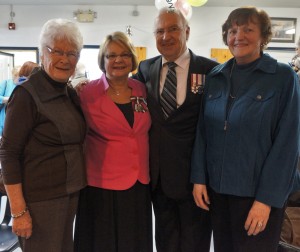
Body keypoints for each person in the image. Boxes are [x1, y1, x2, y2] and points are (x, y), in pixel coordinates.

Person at [191, 6, 300, 252]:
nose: (238, 36)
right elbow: (203, 132)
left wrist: (266, 200)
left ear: (263, 36)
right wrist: (199, 179)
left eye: (248, 29)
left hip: (257, 196)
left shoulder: (283, 77)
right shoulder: (216, 76)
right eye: (232, 30)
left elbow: (287, 145)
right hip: (219, 193)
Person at [133, 7, 218, 252]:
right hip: (159, 179)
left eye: (173, 29)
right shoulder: (145, 68)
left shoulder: (210, 70)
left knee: (196, 242)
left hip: (197, 179)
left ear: (187, 32)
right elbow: (123, 94)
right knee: (166, 241)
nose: (165, 36)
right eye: (159, 31)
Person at [0, 18, 86, 252]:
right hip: (39, 202)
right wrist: (18, 211)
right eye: (57, 51)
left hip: (68, 195)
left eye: (72, 53)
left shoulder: (68, 92)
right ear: (42, 53)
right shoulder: (26, 95)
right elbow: (8, 154)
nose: (64, 59)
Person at [74, 31, 152, 252]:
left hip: (138, 184)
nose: (118, 60)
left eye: (125, 54)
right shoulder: (86, 93)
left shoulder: (141, 89)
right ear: (103, 60)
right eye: (111, 55)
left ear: (132, 59)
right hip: (101, 187)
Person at [0, 65, 21, 135]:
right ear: (13, 75)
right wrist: (8, 99)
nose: (20, 78)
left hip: (18, 120)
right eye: (18, 76)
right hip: (3, 119)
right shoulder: (6, 83)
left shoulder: (24, 84)